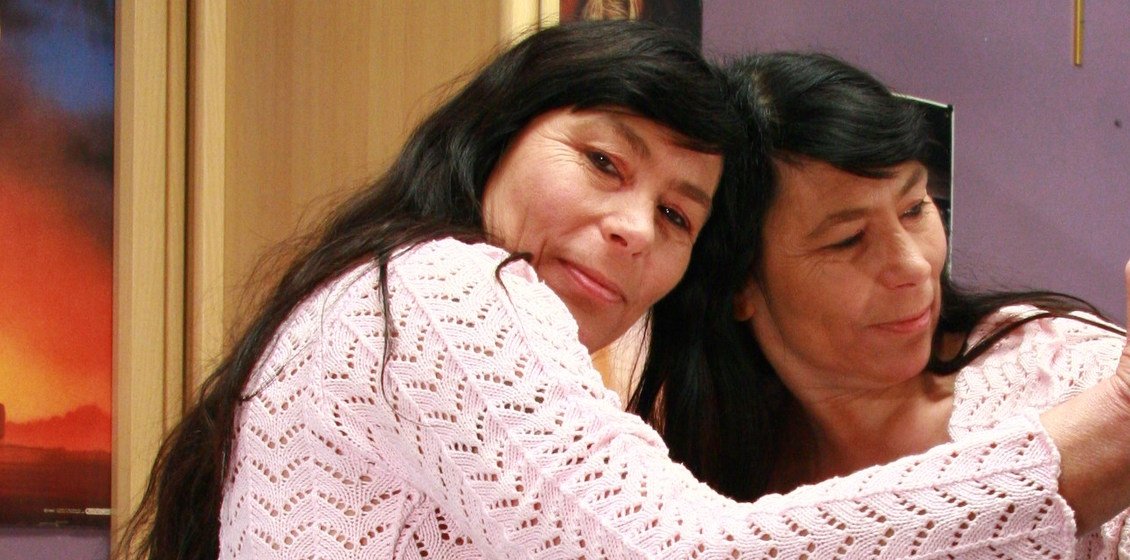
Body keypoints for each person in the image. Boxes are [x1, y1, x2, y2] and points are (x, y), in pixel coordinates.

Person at [120, 23, 1130, 559]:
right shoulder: (441, 292)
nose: (635, 227)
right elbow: (681, 551)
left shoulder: (1047, 360)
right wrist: (1102, 438)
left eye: (678, 215)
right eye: (603, 162)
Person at [631, 50, 1130, 557]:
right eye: (848, 239)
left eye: (915, 208)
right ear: (740, 284)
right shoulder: (700, 466)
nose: (913, 265)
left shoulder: (1072, 378)